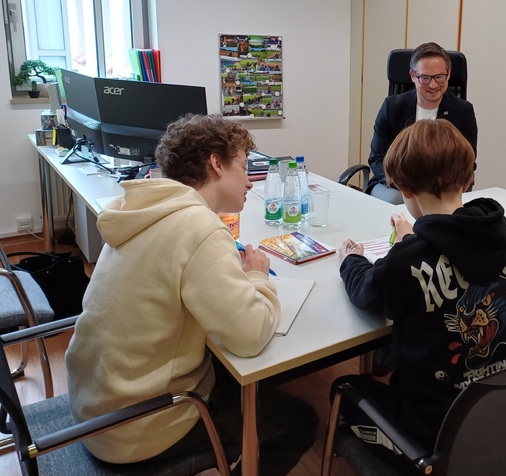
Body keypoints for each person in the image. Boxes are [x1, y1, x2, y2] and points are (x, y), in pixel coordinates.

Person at [65, 114, 317, 475]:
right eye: (244, 167)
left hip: (95, 406)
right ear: (216, 163)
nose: (249, 181)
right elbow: (250, 336)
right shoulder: (198, 226)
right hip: (139, 427)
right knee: (300, 421)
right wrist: (259, 277)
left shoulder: (140, 210)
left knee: (231, 371)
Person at [335, 119, 506, 454]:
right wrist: (416, 237)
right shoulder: (503, 232)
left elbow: (366, 293)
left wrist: (351, 259)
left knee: (343, 392)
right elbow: (453, 245)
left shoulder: (406, 259)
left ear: (404, 190)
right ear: (468, 177)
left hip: (432, 430)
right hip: (501, 410)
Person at [367, 41, 478, 204]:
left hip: (441, 188)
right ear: (413, 76)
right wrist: (404, 185)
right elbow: (376, 158)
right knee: (398, 201)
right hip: (396, 185)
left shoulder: (463, 111)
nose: (433, 85)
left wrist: (438, 189)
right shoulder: (392, 107)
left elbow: (467, 162)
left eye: (439, 77)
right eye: (425, 78)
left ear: (449, 73)